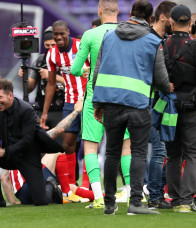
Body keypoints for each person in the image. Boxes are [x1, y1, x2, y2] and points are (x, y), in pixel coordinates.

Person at [92, 0, 172, 215]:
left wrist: (97, 103)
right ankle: (135, 203)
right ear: (149, 19)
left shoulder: (108, 36)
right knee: (138, 152)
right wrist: (168, 87)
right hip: (138, 105)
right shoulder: (152, 40)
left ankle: (109, 204)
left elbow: (97, 72)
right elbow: (162, 80)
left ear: (129, 14)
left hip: (110, 104)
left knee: (111, 153)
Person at [71, 0, 132, 209]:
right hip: (122, 97)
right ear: (119, 11)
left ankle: (98, 197)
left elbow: (75, 69)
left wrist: (85, 72)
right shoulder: (128, 32)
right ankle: (132, 193)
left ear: (99, 10)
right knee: (126, 147)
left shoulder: (90, 34)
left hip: (94, 97)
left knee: (90, 147)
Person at [0, 79, 64, 208]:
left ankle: (50, 186)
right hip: (10, 155)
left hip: (28, 157)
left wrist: (3, 151)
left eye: (0, 97)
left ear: (10, 96)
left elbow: (27, 140)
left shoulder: (26, 110)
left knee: (40, 202)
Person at [41, 20, 88, 198]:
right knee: (68, 144)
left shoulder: (82, 47)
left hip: (88, 101)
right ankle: (69, 187)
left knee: (90, 143)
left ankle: (87, 185)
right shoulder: (52, 54)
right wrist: (45, 112)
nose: (59, 37)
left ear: (68, 32)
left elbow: (94, 71)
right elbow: (51, 83)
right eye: (56, 34)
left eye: (62, 33)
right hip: (70, 103)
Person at [165, 4, 196, 213]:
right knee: (192, 153)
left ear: (171, 22)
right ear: (191, 23)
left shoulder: (161, 44)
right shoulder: (194, 46)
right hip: (191, 106)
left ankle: (175, 199)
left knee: (173, 153)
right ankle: (186, 200)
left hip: (168, 106)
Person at [146, 0, 177, 210]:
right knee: (158, 151)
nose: (176, 23)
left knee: (160, 150)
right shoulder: (150, 39)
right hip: (147, 101)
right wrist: (166, 84)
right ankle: (154, 196)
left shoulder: (161, 39)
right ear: (163, 17)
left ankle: (154, 192)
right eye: (174, 17)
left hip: (155, 102)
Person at [17, 26, 65, 139]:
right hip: (42, 110)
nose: (50, 48)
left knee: (60, 149)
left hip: (62, 111)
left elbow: (74, 84)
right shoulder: (40, 60)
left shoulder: (67, 59)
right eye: (47, 46)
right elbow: (29, 88)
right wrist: (23, 77)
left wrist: (52, 76)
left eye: (53, 45)